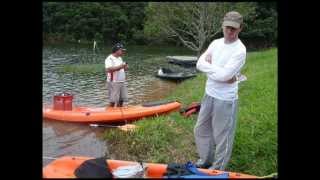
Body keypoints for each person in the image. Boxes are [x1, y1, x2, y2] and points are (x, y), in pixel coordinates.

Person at [194, 11, 246, 170]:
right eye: (227, 27)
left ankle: (217, 168)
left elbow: (225, 76)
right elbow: (199, 64)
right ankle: (205, 159)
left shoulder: (240, 50)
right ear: (222, 26)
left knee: (222, 136)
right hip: (209, 93)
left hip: (226, 99)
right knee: (201, 129)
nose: (230, 31)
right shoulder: (215, 43)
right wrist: (220, 72)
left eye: (234, 28)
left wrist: (211, 69)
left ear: (240, 29)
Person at [105, 43, 129, 107]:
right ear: (117, 50)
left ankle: (119, 112)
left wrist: (125, 67)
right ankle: (110, 114)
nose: (123, 52)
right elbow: (108, 69)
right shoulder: (109, 58)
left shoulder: (120, 58)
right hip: (113, 82)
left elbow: (122, 68)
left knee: (121, 99)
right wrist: (121, 66)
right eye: (122, 50)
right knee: (113, 101)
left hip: (122, 82)